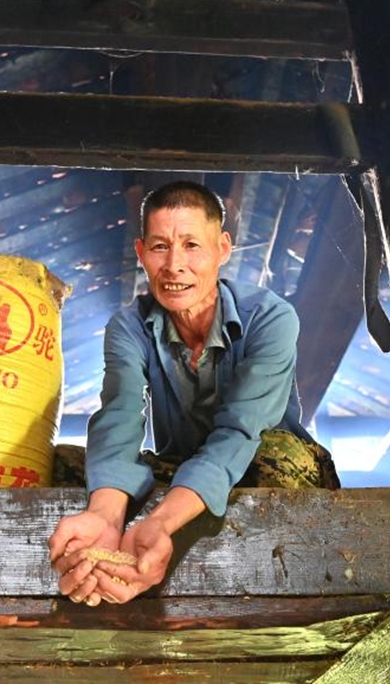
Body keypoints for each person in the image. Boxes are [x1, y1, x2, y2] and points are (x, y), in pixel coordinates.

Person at [47, 181, 338, 606]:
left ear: (222, 249)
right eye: (161, 247)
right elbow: (120, 417)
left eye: (191, 245)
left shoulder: (272, 317)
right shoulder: (128, 328)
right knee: (61, 464)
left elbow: (240, 431)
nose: (174, 265)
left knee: (282, 454)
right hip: (181, 472)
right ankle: (114, 552)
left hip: (263, 466)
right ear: (142, 252)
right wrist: (104, 515)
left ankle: (161, 529)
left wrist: (162, 524)